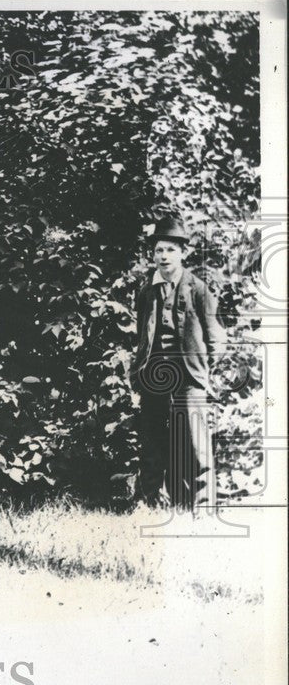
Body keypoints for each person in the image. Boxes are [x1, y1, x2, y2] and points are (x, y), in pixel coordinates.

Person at [129, 215, 226, 510]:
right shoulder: (147, 292)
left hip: (188, 377)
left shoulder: (198, 289)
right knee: (153, 443)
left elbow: (216, 338)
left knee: (196, 445)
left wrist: (200, 369)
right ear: (153, 254)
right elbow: (142, 337)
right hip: (154, 376)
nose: (163, 256)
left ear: (182, 252)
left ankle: (204, 509)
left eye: (170, 250)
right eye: (158, 250)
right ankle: (150, 506)